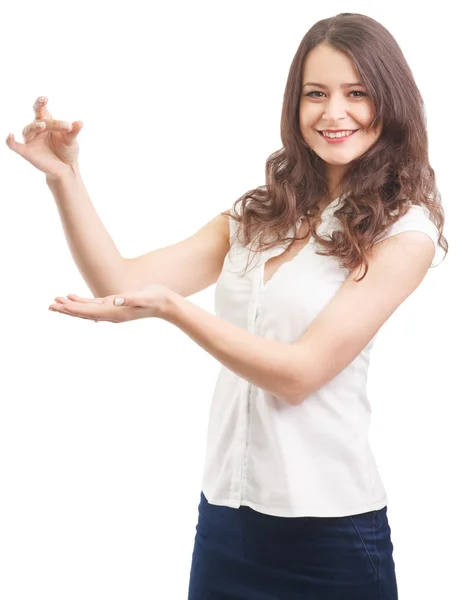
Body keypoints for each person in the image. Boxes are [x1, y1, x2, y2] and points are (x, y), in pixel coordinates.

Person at [6, 11, 448, 600]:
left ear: (389, 103)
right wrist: (65, 178)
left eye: (356, 94)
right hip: (226, 523)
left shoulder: (404, 232)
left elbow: (300, 374)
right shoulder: (259, 215)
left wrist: (176, 310)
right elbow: (120, 279)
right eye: (315, 94)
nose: (332, 112)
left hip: (332, 538)